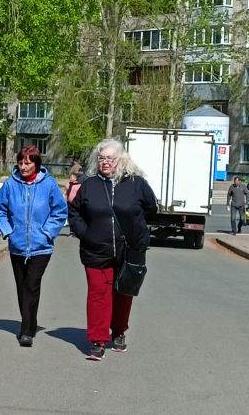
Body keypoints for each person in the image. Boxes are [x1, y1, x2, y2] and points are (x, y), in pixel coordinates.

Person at [68, 138, 157, 361]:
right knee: (98, 295)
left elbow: (151, 208)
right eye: (101, 158)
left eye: (110, 158)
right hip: (95, 250)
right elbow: (75, 212)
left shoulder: (136, 183)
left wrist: (137, 231)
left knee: (123, 293)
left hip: (130, 251)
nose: (105, 162)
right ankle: (98, 341)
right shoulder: (89, 184)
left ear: (121, 160)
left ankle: (118, 331)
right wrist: (85, 234)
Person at [0, 146, 68, 347]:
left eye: (28, 163)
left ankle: (26, 331)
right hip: (17, 244)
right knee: (22, 286)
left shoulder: (49, 184)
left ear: (36, 164)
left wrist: (47, 232)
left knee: (32, 284)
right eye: (20, 163)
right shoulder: (10, 184)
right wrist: (7, 230)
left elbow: (59, 212)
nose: (23, 167)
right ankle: (31, 323)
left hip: (41, 246)